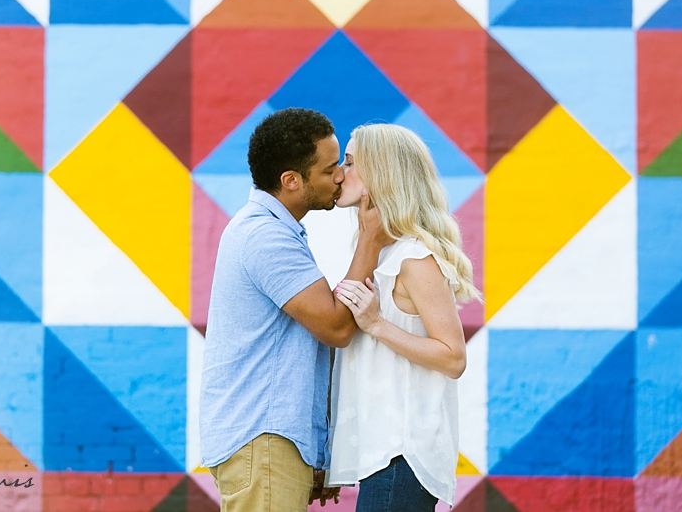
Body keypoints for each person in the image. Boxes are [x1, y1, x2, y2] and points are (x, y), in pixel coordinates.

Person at [199, 108, 392, 512]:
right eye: (328, 169)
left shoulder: (274, 230)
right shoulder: (265, 237)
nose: (340, 175)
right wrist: (371, 240)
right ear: (291, 181)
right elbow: (337, 328)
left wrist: (314, 452)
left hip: (271, 443)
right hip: (263, 440)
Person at [326, 124, 482, 511]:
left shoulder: (414, 259)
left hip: (402, 456)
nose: (339, 172)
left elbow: (453, 356)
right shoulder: (383, 254)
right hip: (384, 458)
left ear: (380, 173)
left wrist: (378, 325)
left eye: (348, 162)